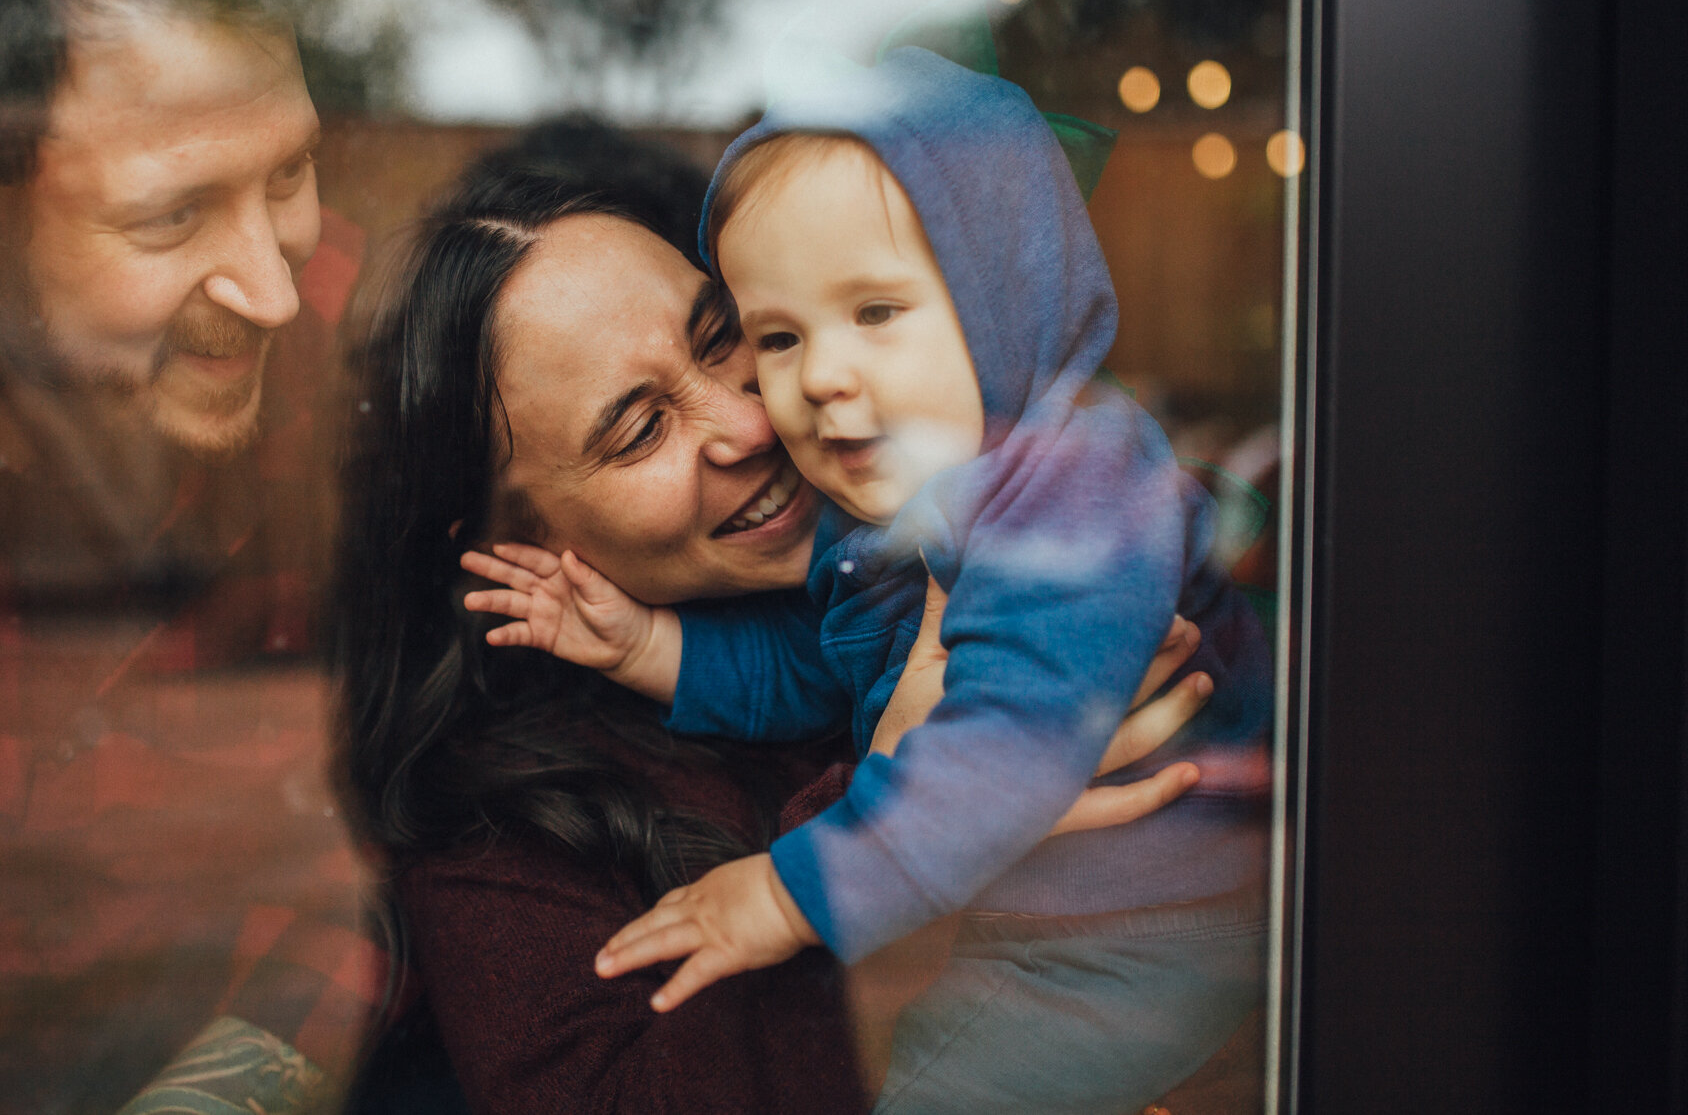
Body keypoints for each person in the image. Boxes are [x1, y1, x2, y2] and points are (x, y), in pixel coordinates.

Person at [333, 146, 1222, 1114]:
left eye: (725, 339)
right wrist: (924, 827)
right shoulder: (491, 850)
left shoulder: (958, 529)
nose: (748, 424)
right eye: (639, 430)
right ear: (516, 537)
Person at [0, 0, 376, 1113]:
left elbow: (429, 803)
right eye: (170, 216)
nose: (272, 287)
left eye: (289, 173)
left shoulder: (356, 348)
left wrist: (245, 1078)